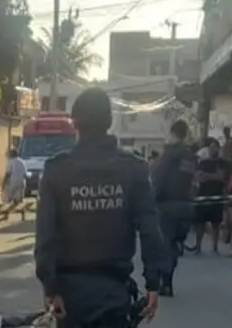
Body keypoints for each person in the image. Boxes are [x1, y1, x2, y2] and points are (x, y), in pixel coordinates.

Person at [35, 88, 164, 326]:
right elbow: (150, 231)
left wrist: (50, 287)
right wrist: (153, 283)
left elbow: (45, 238)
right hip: (114, 294)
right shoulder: (133, 168)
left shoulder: (57, 169)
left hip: (70, 298)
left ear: (75, 123)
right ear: (110, 121)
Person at [151, 119, 198, 297]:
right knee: (174, 244)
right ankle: (168, 279)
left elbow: (158, 179)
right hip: (185, 206)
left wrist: (150, 201)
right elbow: (192, 182)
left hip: (167, 206)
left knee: (165, 244)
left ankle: (165, 281)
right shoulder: (189, 157)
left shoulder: (169, 154)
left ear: (172, 133)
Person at [191, 138, 226, 255]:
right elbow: (198, 176)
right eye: (211, 147)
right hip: (203, 195)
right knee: (200, 223)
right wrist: (212, 176)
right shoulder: (203, 162)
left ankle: (215, 248)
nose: (213, 149)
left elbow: (220, 176)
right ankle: (198, 247)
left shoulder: (222, 162)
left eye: (215, 147)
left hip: (217, 195)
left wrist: (207, 176)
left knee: (216, 224)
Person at [0, 148, 27, 222]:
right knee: (20, 200)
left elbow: (8, 173)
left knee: (7, 199)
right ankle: (23, 216)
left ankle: (6, 216)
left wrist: (3, 184)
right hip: (22, 182)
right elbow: (25, 174)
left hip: (12, 181)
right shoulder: (22, 162)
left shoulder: (10, 161)